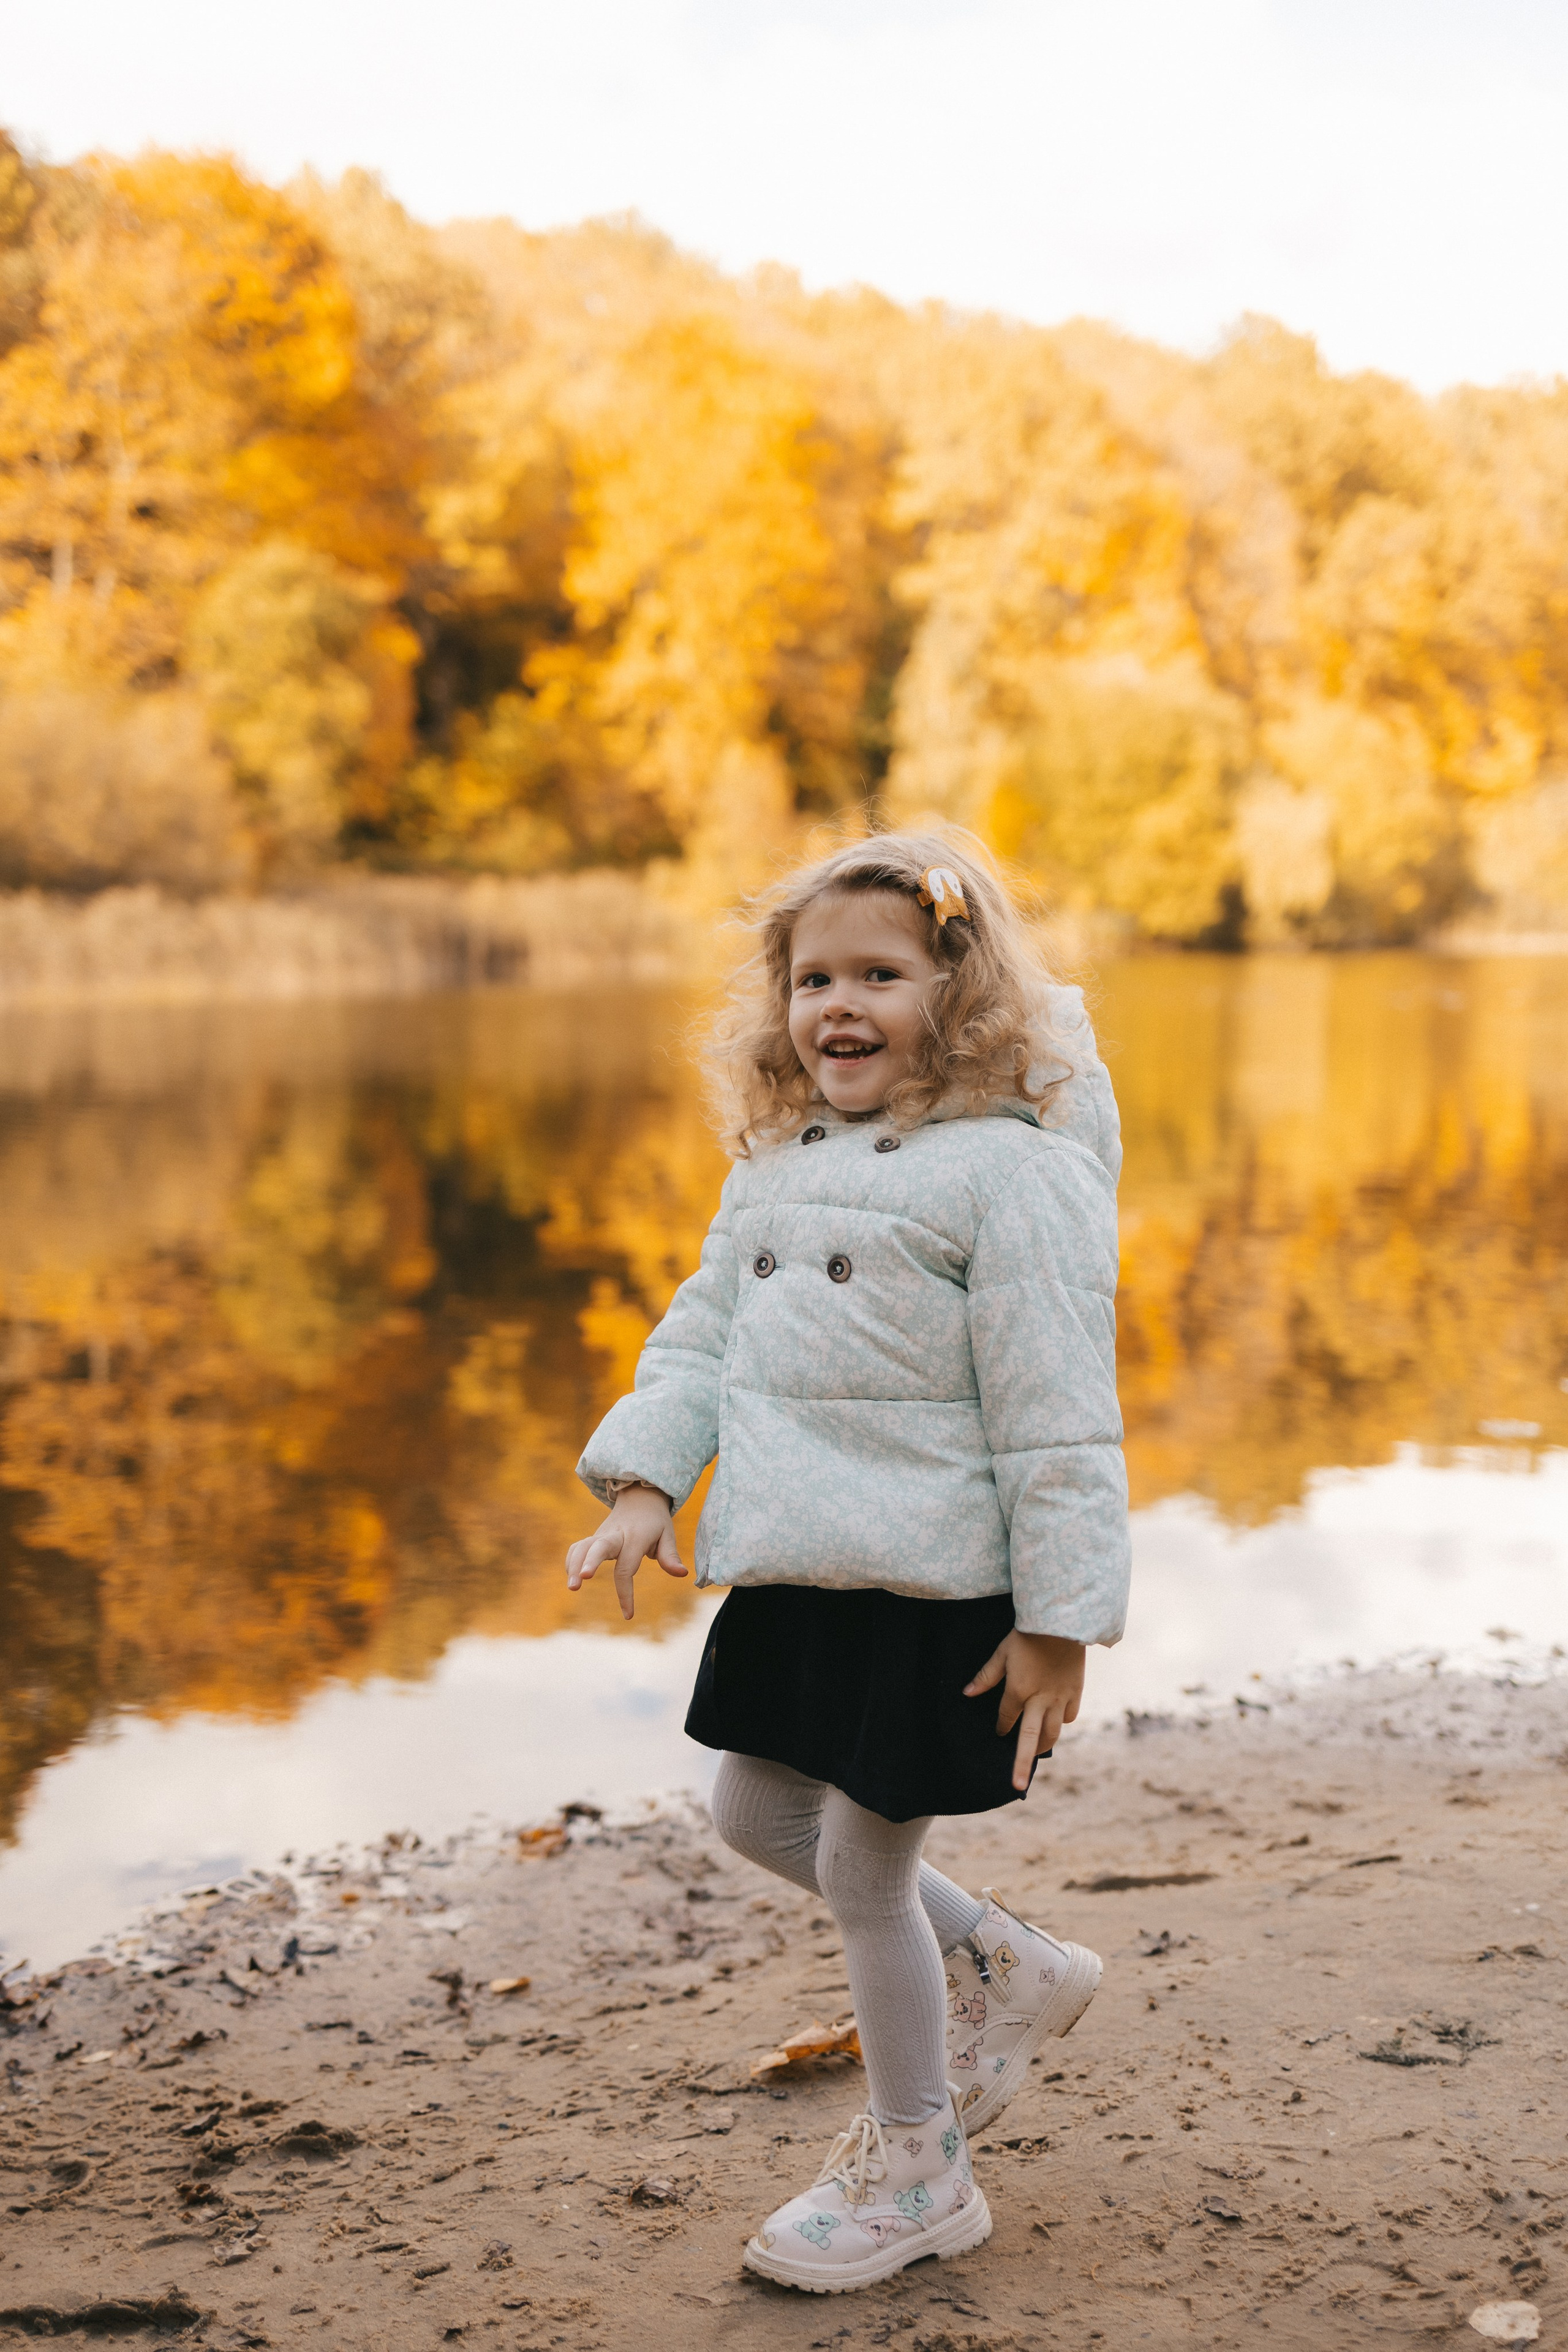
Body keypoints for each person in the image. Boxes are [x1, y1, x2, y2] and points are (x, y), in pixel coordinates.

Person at [565, 831, 1130, 2294]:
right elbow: (700, 1335)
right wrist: (641, 1480)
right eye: (813, 976)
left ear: (963, 995)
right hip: (802, 1565)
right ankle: (1011, 1963)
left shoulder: (1014, 1179)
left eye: (879, 973)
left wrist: (1061, 1622)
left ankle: (918, 2165)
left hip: (940, 1587)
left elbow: (1059, 1417)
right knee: (753, 1812)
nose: (839, 1004)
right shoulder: (775, 1169)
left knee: (861, 1869)